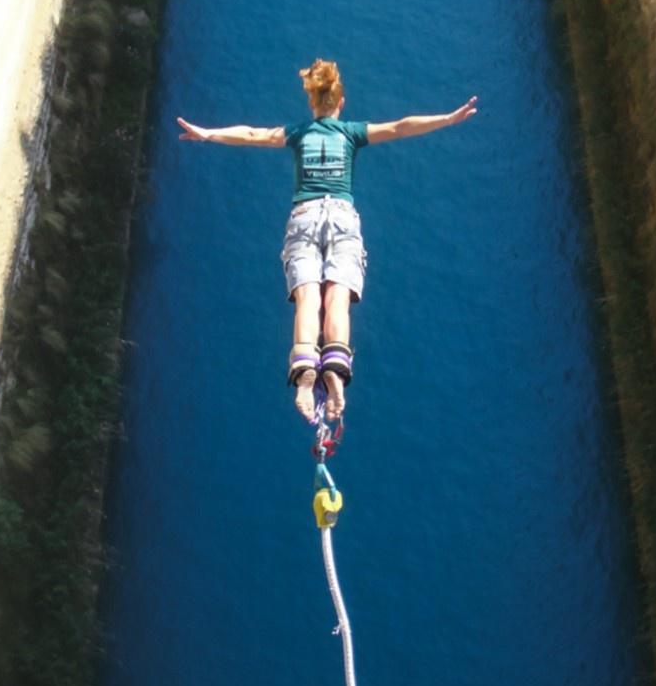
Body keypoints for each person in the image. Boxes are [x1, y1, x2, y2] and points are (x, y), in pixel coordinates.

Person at [177, 60, 477, 421]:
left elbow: (253, 135)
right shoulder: (351, 133)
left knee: (307, 297)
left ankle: (305, 369)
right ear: (341, 103)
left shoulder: (299, 133)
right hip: (341, 219)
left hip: (304, 218)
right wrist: (447, 118)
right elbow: (400, 126)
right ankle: (334, 368)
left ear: (312, 104)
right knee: (337, 298)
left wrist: (207, 133)